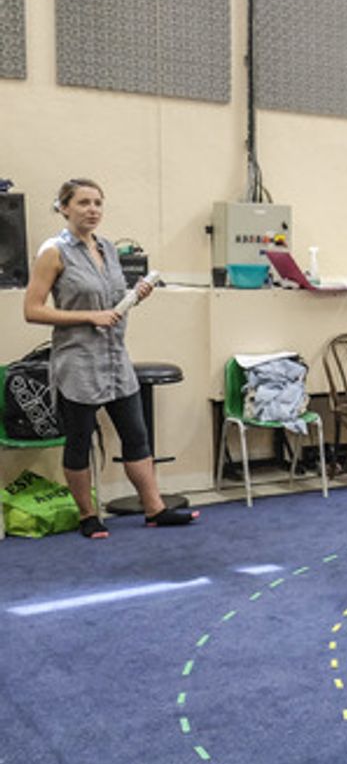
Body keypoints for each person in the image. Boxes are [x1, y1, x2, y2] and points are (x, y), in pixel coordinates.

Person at [22, 178, 198, 538]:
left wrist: (136, 295)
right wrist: (89, 317)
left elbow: (111, 302)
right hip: (77, 364)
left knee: (136, 437)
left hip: (116, 360)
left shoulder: (107, 248)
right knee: (79, 442)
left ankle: (155, 509)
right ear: (64, 207)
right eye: (83, 203)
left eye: (98, 203)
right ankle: (88, 516)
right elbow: (32, 310)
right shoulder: (53, 251)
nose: (92, 210)